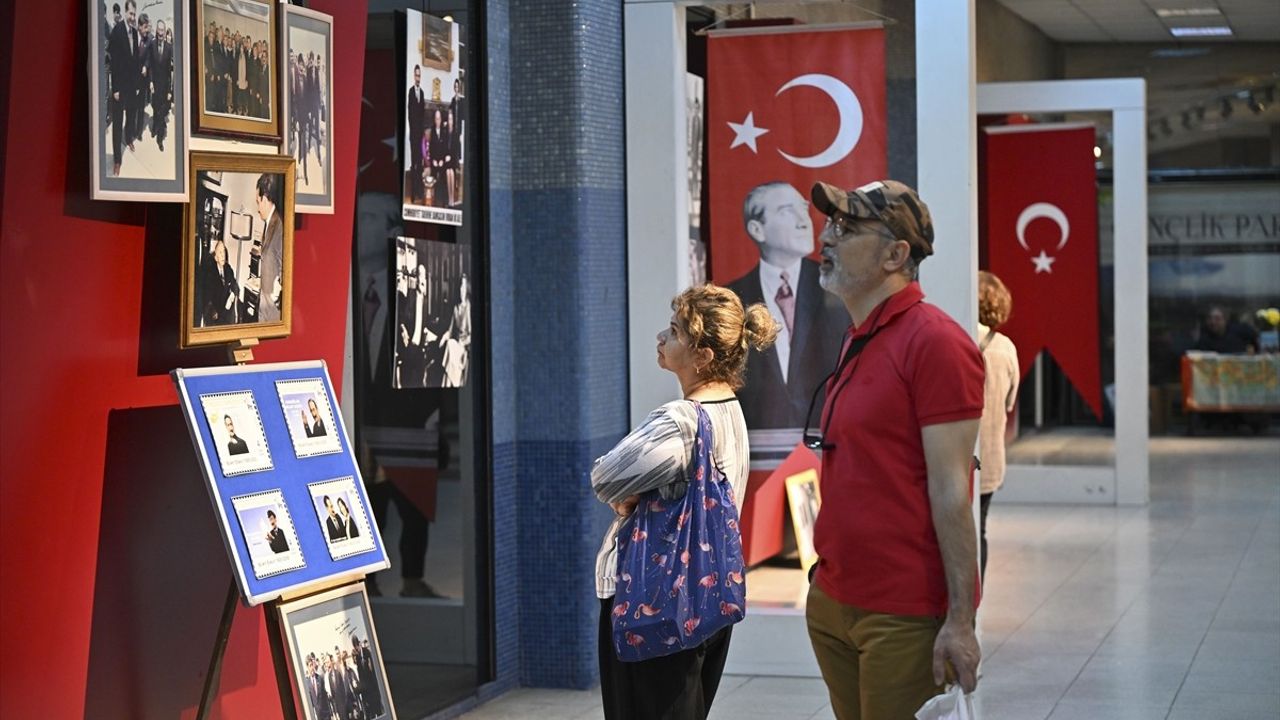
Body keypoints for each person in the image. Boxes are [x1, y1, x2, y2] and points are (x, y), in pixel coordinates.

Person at [805, 179, 985, 718]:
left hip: (900, 613)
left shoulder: (936, 343)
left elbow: (953, 492)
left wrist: (960, 620)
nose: (827, 238)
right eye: (830, 224)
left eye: (846, 227)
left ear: (895, 254)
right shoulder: (861, 336)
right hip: (835, 600)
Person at [592, 284, 779, 720]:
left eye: (675, 332)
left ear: (703, 357)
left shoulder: (680, 421)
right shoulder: (731, 411)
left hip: (655, 600)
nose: (661, 337)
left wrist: (626, 499)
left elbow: (603, 476)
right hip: (708, 595)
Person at [726, 181, 849, 429]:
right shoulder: (732, 298)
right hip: (755, 450)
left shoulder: (838, 290)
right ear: (757, 229)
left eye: (803, 209)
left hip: (827, 445)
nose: (804, 221)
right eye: (786, 211)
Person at [976, 271, 1019, 583]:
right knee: (980, 529)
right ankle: (974, 601)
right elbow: (1009, 402)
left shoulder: (952, 339)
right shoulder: (1005, 348)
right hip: (990, 460)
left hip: (951, 455)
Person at [106, 0, 139, 176]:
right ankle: (117, 160)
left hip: (132, 86)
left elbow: (134, 60)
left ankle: (128, 139)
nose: (133, 17)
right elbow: (114, 62)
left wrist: (137, 85)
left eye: (134, 14)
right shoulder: (117, 31)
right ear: (125, 13)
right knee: (117, 122)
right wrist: (116, 88)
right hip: (119, 86)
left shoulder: (134, 32)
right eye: (131, 14)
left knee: (131, 115)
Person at [254, 173, 284, 323]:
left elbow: (284, 267)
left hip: (273, 313)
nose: (257, 208)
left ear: (264, 200)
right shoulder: (268, 223)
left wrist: (277, 292)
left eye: (258, 202)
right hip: (264, 309)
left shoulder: (279, 225)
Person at [440, 274, 471, 387]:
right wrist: (443, 337)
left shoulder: (469, 307)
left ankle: (451, 384)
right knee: (449, 344)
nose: (461, 289)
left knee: (450, 347)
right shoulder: (456, 308)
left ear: (466, 288)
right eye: (459, 287)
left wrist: (463, 343)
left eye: (463, 286)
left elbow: (472, 335)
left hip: (464, 347)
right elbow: (450, 330)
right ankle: (451, 384)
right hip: (456, 344)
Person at [146, 18, 172, 152]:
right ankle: (155, 127)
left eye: (163, 30)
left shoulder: (169, 48)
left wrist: (169, 90)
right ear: (156, 30)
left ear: (164, 30)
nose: (161, 33)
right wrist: (150, 81)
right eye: (159, 30)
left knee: (162, 112)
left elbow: (169, 72)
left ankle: (160, 139)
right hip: (154, 85)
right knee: (155, 108)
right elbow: (149, 64)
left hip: (164, 87)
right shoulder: (152, 44)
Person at [200, 239, 238, 326]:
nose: (223, 255)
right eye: (220, 252)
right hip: (213, 312)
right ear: (215, 257)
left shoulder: (228, 269)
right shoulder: (210, 271)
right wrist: (212, 309)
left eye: (224, 252)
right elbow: (207, 295)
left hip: (225, 311)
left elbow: (234, 285)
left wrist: (231, 297)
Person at [1194, 305, 1258, 354]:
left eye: (1217, 318)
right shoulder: (1204, 339)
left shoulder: (1240, 331)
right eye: (1209, 318)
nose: (1213, 322)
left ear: (1225, 320)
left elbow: (1256, 340)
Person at [406, 65, 427, 204]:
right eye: (416, 75)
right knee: (413, 164)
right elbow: (410, 115)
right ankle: (413, 194)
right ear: (414, 76)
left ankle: (420, 192)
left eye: (419, 76)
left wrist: (422, 134)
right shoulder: (411, 92)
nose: (418, 78)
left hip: (420, 136)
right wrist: (413, 132)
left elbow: (423, 114)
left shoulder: (423, 93)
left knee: (420, 164)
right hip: (413, 135)